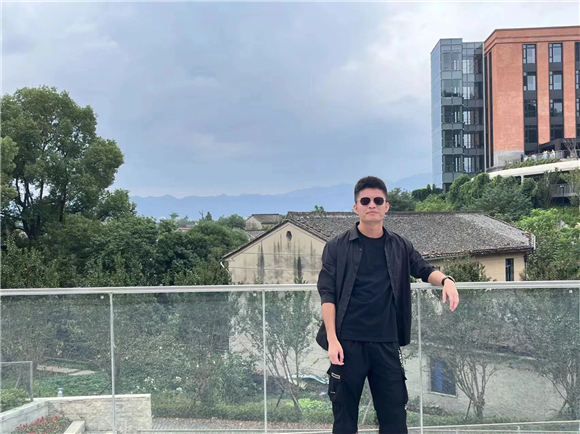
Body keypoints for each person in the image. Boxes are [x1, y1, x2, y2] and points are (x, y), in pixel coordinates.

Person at [316, 176, 459, 434]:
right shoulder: (337, 246)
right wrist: (333, 340)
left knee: (394, 420)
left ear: (386, 206)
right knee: (344, 421)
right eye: (365, 201)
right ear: (356, 207)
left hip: (386, 343)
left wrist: (446, 280)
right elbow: (328, 295)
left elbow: (424, 269)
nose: (372, 205)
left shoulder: (400, 245)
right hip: (348, 344)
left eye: (377, 200)